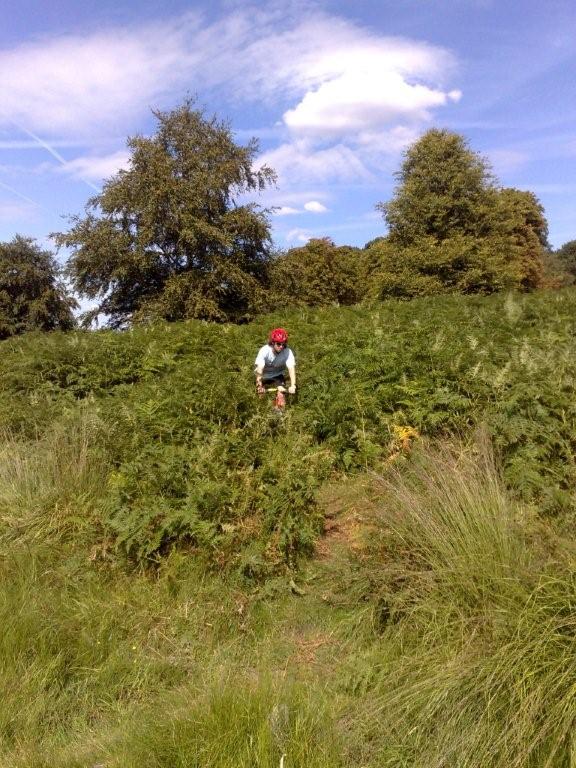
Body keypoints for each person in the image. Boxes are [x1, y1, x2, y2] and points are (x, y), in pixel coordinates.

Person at [254, 327, 296, 396]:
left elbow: (291, 369)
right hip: (263, 375)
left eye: (283, 344)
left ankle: (279, 407)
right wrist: (259, 385)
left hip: (278, 375)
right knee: (261, 395)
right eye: (278, 344)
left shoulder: (287, 352)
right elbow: (260, 369)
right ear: (273, 342)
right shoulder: (264, 351)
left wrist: (293, 385)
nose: (281, 346)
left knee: (281, 395)